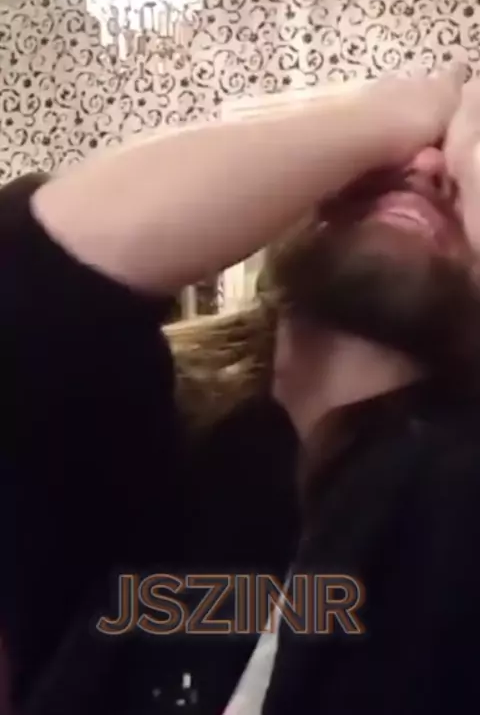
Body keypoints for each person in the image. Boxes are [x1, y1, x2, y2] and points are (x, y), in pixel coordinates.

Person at [0, 68, 473, 714]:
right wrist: (391, 114)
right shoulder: (156, 453)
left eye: (459, 171)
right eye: (381, 165)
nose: (427, 166)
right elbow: (35, 261)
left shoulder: (453, 495)